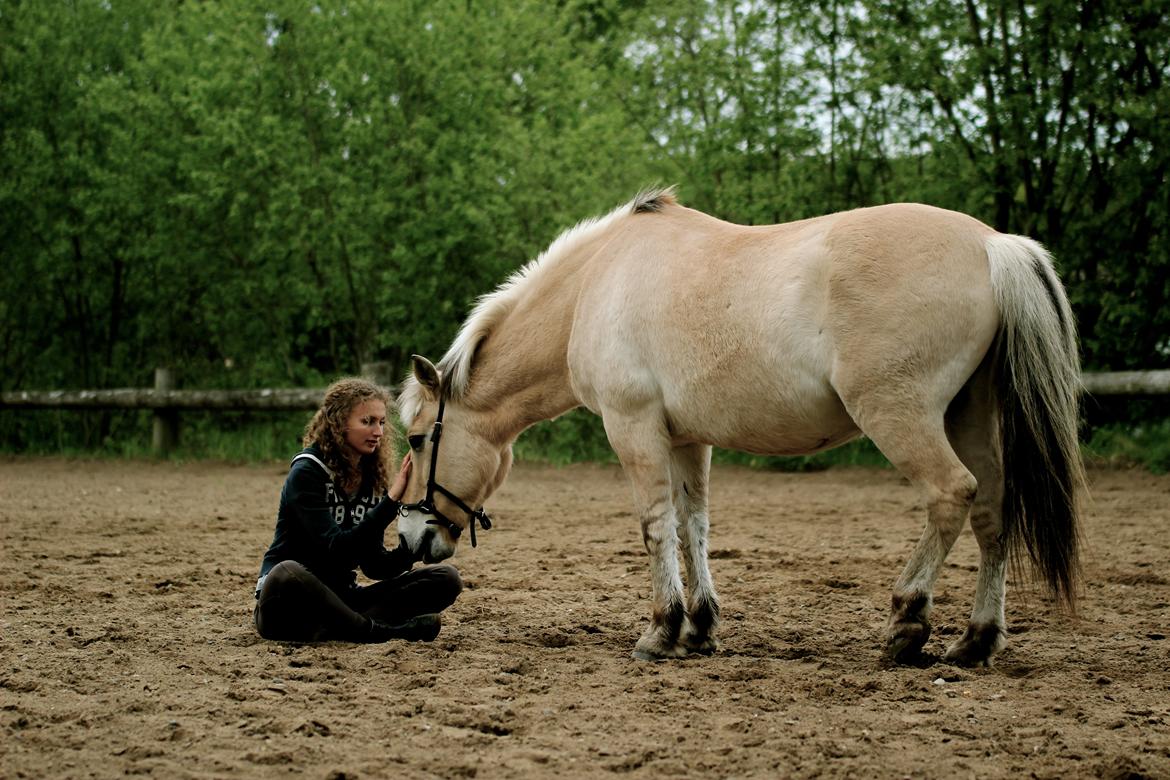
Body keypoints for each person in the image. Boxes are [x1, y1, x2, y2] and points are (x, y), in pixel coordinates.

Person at [254, 377, 462, 643]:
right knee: (286, 572)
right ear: (339, 423)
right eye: (367, 421)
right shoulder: (307, 473)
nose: (378, 431)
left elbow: (374, 565)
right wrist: (391, 502)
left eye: (382, 422)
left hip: (343, 600)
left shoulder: (371, 479)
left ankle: (341, 629)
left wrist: (413, 549)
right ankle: (378, 631)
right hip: (289, 604)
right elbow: (337, 548)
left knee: (446, 578)